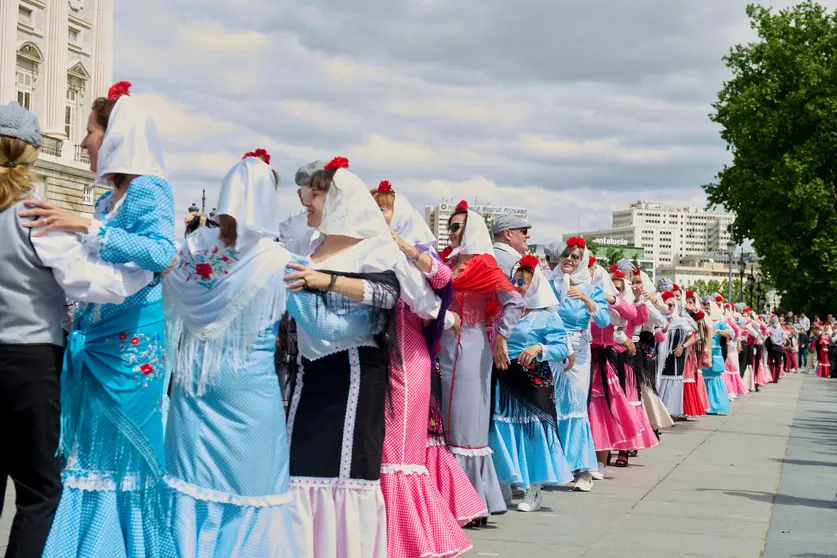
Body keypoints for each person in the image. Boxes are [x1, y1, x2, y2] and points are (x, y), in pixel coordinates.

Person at [24, 82, 178, 556]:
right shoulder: (105, 199)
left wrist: (86, 227)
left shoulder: (151, 188)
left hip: (132, 351)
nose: (84, 142)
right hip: (95, 345)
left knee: (123, 461)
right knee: (90, 457)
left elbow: (162, 252)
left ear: (116, 137)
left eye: (90, 131)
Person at [163, 152, 300, 557]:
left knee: (191, 490)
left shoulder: (191, 253)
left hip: (193, 387)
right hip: (250, 392)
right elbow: (325, 330)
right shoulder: (280, 261)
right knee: (254, 493)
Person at [283, 157, 403, 558]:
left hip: (353, 376)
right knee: (299, 472)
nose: (307, 202)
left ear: (339, 199)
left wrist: (326, 281)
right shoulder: (310, 247)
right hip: (308, 375)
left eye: (316, 193)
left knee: (345, 475)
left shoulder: (372, 247)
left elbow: (387, 296)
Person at [370, 181, 473, 558]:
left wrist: (406, 249)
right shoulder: (365, 248)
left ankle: (406, 540)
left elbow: (444, 279)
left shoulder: (415, 251)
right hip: (373, 357)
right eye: (374, 208)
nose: (378, 215)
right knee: (380, 446)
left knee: (397, 451)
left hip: (408, 355)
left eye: (383, 208)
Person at [439, 200, 524, 526]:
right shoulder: (444, 263)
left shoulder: (484, 265)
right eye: (449, 226)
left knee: (466, 424)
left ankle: (471, 502)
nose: (451, 232)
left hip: (472, 348)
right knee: (445, 423)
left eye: (457, 226)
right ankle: (452, 500)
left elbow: (514, 299)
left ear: (470, 229)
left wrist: (501, 336)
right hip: (440, 347)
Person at [489, 255, 573, 512]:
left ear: (534, 285)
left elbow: (561, 347)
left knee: (534, 433)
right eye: (513, 281)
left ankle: (534, 490)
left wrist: (539, 347)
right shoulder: (501, 313)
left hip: (533, 379)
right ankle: (504, 482)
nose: (517, 286)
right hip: (503, 377)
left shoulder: (546, 317)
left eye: (522, 283)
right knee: (500, 430)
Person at [550, 238, 609, 492]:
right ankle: (555, 466)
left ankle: (583, 468)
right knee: (551, 406)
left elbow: (605, 321)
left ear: (582, 261)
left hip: (579, 354)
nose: (569, 260)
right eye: (566, 255)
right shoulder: (549, 284)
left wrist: (586, 299)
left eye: (575, 257)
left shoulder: (591, 288)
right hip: (552, 350)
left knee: (574, 406)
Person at [702, 298, 733, 415]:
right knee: (704, 378)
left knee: (715, 378)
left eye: (708, 308)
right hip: (705, 352)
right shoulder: (704, 321)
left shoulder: (720, 322)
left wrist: (719, 331)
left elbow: (731, 333)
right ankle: (706, 404)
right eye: (705, 308)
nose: (706, 310)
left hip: (715, 354)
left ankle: (716, 405)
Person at [766, 316, 786, 383]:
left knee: (771, 363)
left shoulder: (769, 329)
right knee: (778, 363)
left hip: (772, 347)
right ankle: (776, 378)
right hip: (779, 347)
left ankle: (771, 377)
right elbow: (784, 340)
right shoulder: (781, 330)